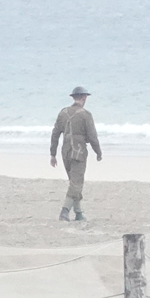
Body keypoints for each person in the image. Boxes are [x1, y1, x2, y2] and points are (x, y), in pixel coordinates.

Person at [48, 87, 102, 222]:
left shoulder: (63, 113)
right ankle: (64, 211)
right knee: (76, 183)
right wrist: (98, 152)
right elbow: (92, 136)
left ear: (74, 97)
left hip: (65, 151)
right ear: (84, 98)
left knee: (74, 183)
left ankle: (78, 213)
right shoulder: (85, 114)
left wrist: (53, 154)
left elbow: (55, 134)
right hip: (79, 152)